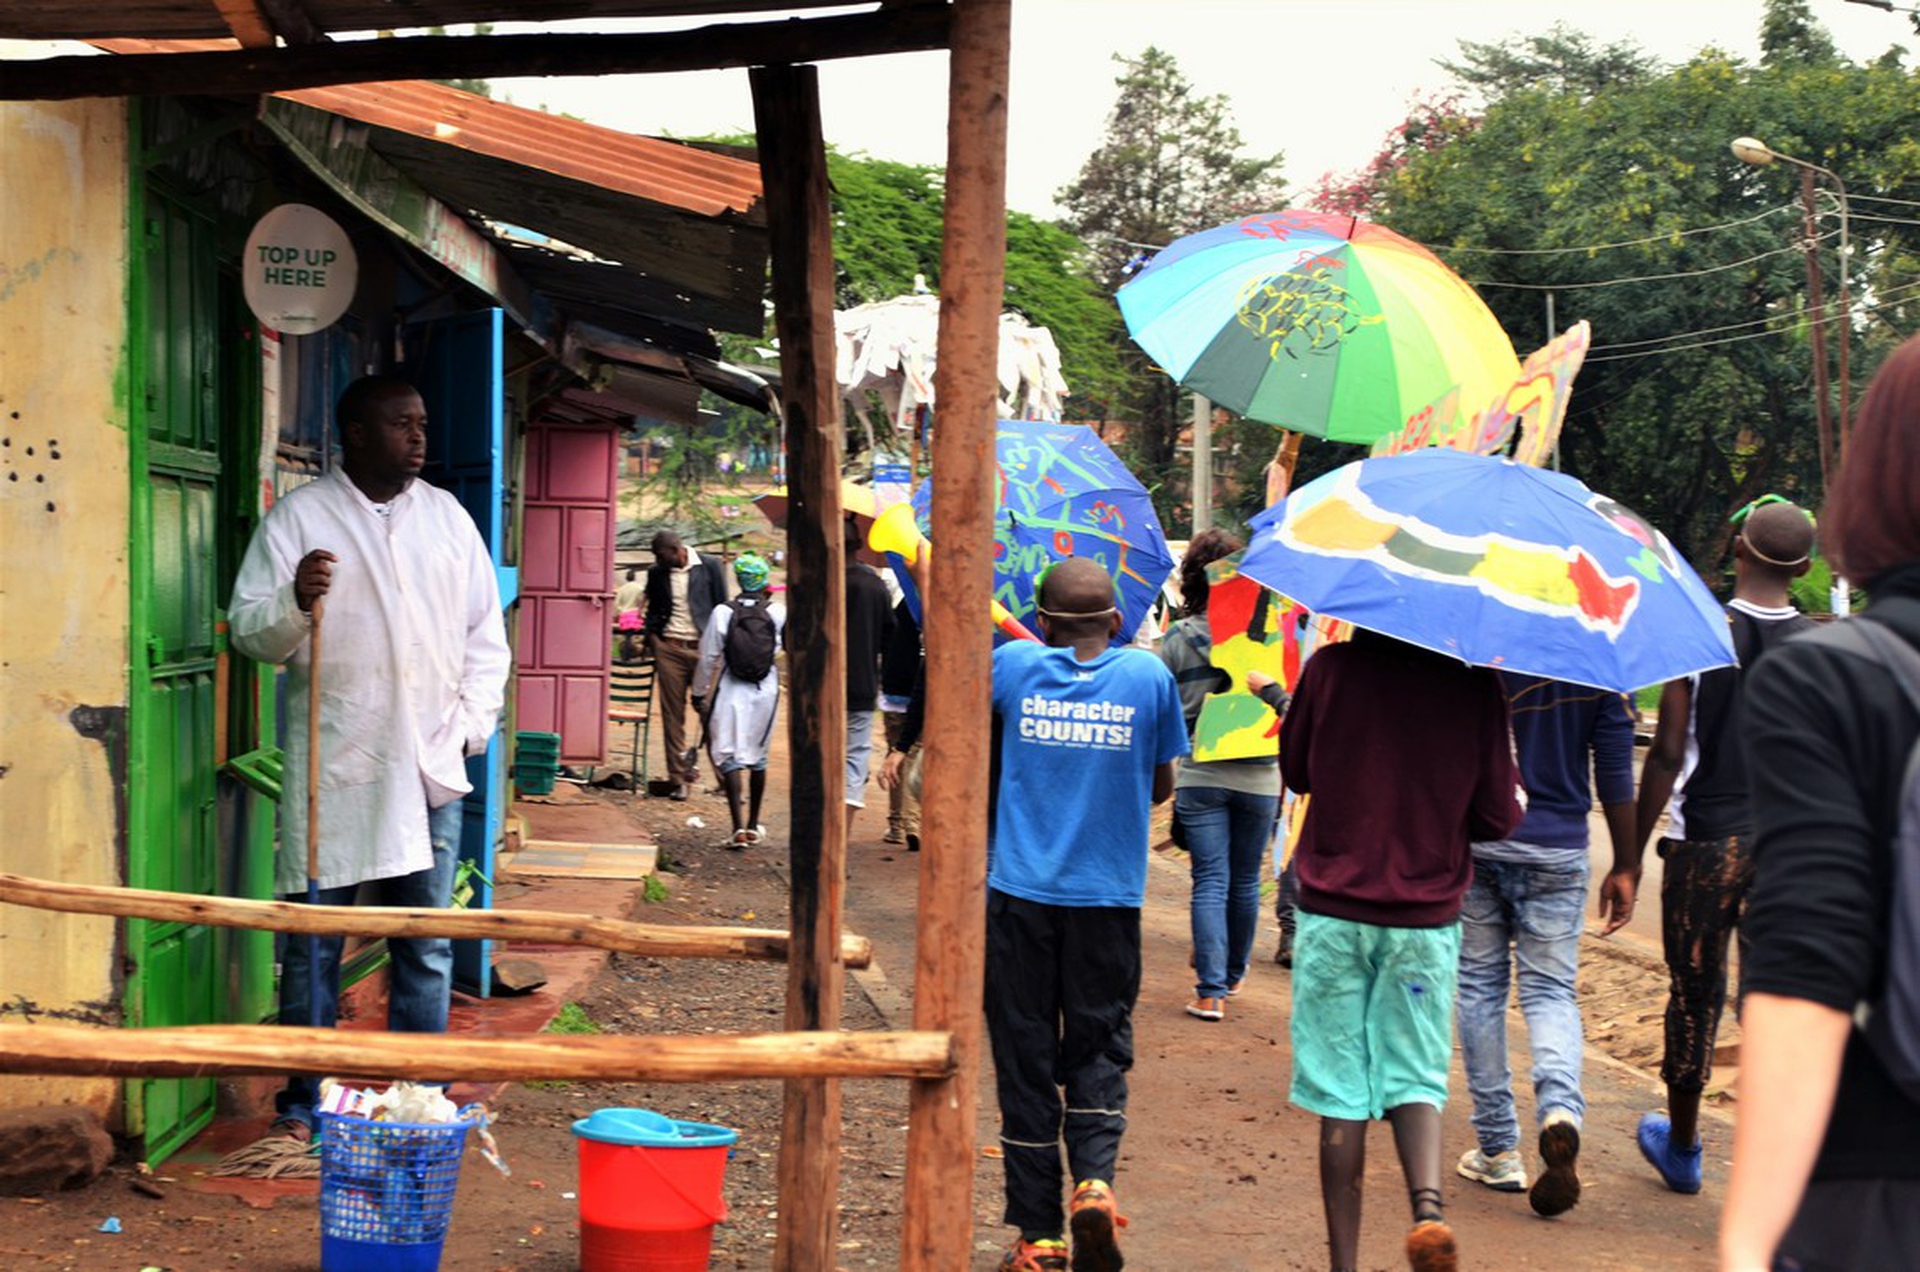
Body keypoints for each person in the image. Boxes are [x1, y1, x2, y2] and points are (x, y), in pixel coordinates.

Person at [229, 375, 510, 1138]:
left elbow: (487, 638)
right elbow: (248, 635)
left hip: (429, 765)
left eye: (422, 423)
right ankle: (303, 1102)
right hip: (339, 766)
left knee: (424, 944)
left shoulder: (448, 519)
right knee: (313, 945)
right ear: (356, 432)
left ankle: (420, 1095)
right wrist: (294, 599)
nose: (420, 437)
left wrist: (470, 729)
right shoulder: (301, 518)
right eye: (401, 425)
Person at [1722, 338, 1920, 1269]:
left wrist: (1748, 1243)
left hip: (1878, 1191)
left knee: (1696, 995)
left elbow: (1809, 966)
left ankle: (1680, 1133)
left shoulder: (1841, 677)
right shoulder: (1817, 650)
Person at [1280, 627, 1523, 1272]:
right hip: (1424, 920)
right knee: (1415, 1071)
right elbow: (1496, 817)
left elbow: (1297, 770)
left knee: (1339, 1089)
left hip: (1334, 913)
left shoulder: (1330, 669)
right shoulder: (1475, 685)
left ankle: (1344, 1265)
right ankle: (1428, 1210)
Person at [986, 558, 1188, 1272]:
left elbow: (979, 746)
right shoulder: (1148, 677)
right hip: (1108, 899)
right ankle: (1095, 1187)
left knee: (1025, 1056)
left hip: (1021, 894)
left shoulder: (1011, 667)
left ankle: (1038, 1237)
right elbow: (1161, 785)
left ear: (1042, 622)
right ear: (1114, 621)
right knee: (1099, 1044)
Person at [1633, 498, 1815, 1194]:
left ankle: (1682, 1150)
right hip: (1789, 848)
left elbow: (1667, 750)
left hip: (1706, 843)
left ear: (1737, 548)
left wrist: (1628, 854)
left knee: (1694, 993)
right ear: (1801, 568)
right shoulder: (1823, 646)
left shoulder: (1700, 633)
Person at [1454, 674, 1638, 1217]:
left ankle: (1498, 1149)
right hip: (1558, 852)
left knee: (1480, 989)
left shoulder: (1479, 652)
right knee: (1550, 993)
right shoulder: (1599, 664)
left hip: (1482, 838)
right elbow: (1614, 773)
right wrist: (1626, 863)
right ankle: (1560, 1113)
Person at [1156, 528, 1289, 1022]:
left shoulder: (1178, 637)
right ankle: (1232, 976)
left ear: (1193, 576)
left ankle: (1210, 992)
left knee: (1209, 879)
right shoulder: (1273, 635)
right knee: (1245, 881)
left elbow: (1164, 709)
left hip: (1201, 773)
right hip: (1262, 775)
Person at [692, 553, 785, 849]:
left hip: (732, 688)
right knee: (759, 755)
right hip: (766, 689)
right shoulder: (778, 612)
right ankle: (754, 824)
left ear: (739, 579)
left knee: (730, 755)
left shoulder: (723, 612)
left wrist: (699, 692)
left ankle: (736, 829)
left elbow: (708, 657)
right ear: (765, 580)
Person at [645, 529, 730, 800]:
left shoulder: (711, 567)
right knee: (672, 717)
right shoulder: (657, 573)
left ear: (675, 549)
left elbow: (722, 608)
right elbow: (653, 607)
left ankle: (726, 780)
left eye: (660, 555)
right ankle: (679, 780)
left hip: (703, 650)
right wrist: (653, 637)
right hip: (669, 648)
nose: (656, 560)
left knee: (711, 714)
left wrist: (721, 648)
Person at [844, 517, 894, 838]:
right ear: (860, 545)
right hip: (860, 686)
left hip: (816, 693)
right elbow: (889, 638)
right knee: (853, 760)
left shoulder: (815, 580)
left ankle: (818, 838)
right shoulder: (875, 585)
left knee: (820, 761)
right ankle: (841, 840)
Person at [879, 596, 923, 850]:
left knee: (894, 753)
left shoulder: (905, 605)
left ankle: (896, 824)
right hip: (921, 691)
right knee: (915, 752)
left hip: (895, 691)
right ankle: (913, 823)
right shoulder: (939, 605)